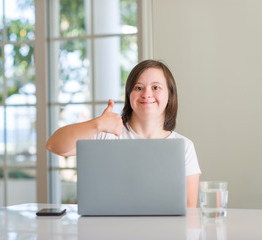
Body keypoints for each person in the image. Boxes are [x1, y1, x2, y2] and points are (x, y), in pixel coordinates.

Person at [46, 59, 201, 208]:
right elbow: (54, 145)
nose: (146, 94)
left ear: (170, 94)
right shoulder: (106, 134)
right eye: (138, 88)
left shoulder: (184, 146)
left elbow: (189, 206)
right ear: (129, 95)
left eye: (156, 87)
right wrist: (97, 124)